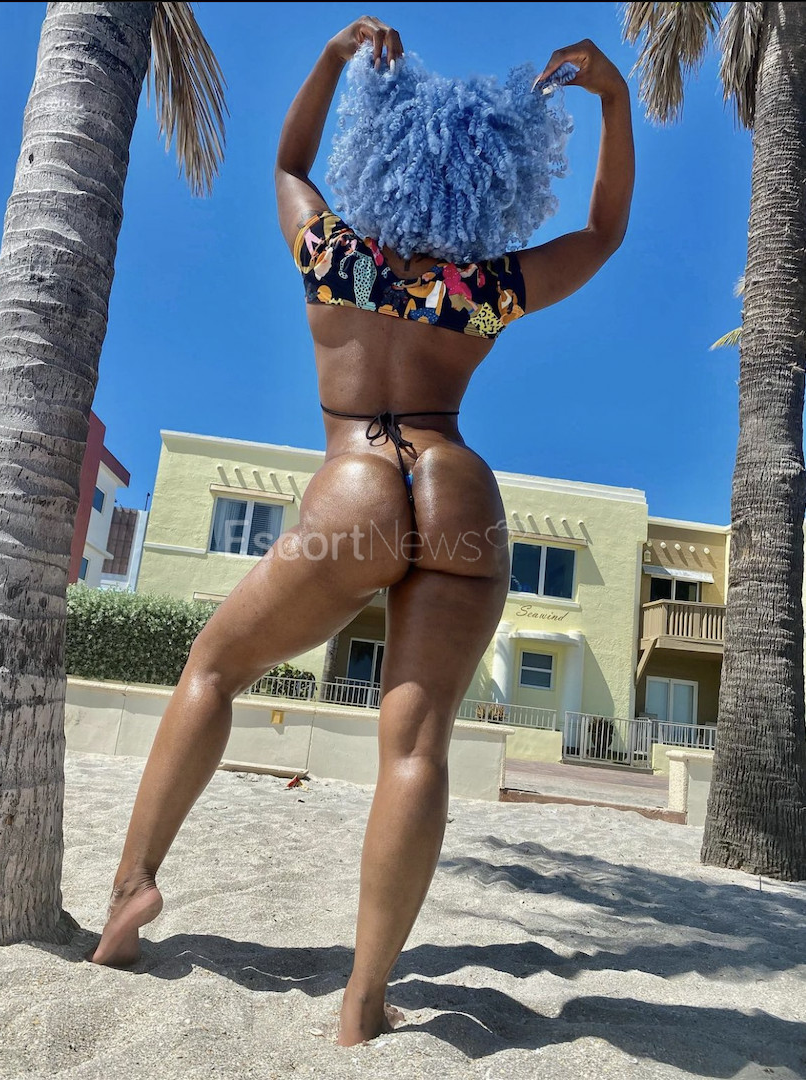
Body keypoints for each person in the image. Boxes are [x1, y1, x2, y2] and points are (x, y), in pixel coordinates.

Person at [90, 15, 634, 1047]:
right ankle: (362, 1001)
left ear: (386, 148)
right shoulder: (483, 287)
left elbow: (288, 163)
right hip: (457, 486)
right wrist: (611, 99)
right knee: (416, 747)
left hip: (355, 485)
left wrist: (335, 59)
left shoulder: (332, 254)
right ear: (498, 177)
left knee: (213, 668)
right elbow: (601, 233)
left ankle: (134, 884)